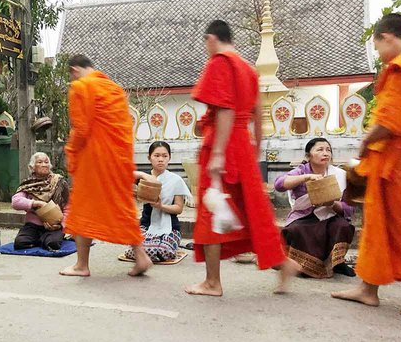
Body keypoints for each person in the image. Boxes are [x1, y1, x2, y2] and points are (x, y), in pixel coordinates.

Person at [332, 13, 401, 321]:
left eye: (377, 47)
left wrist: (365, 143)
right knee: (379, 224)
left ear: (387, 37)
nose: (379, 54)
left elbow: (391, 121)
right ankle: (368, 288)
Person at [186, 20, 299, 297]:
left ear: (211, 39)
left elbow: (224, 109)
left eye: (206, 43)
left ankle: (212, 282)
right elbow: (259, 114)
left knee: (211, 212)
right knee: (253, 212)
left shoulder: (220, 63)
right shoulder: (248, 70)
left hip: (223, 146)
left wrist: (219, 153)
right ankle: (283, 263)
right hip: (243, 147)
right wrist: (255, 149)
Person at [60, 54, 152, 277]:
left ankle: (82, 265)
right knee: (122, 206)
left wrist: (70, 151)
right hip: (118, 159)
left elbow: (81, 129)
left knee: (82, 209)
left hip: (93, 159)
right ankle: (141, 256)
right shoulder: (115, 89)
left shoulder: (81, 87)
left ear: (74, 70)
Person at [274, 138, 356, 278]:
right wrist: (307, 177)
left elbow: (349, 208)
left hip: (330, 215)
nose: (325, 153)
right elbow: (279, 184)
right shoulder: (301, 171)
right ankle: (302, 265)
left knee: (342, 226)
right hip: (305, 216)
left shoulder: (340, 175)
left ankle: (337, 262)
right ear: (308, 155)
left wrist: (332, 204)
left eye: (328, 150)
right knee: (297, 230)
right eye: (320, 150)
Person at [128, 141, 192, 262]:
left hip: (170, 228)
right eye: (156, 156)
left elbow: (178, 208)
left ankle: (158, 250)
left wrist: (161, 206)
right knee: (135, 250)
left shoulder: (175, 180)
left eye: (164, 156)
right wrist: (140, 177)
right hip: (146, 226)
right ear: (149, 158)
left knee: (161, 251)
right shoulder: (143, 178)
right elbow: (123, 176)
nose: (161, 159)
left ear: (169, 158)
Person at [12, 152, 69, 251]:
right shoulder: (28, 184)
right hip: (33, 225)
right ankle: (41, 239)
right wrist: (35, 203)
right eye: (40, 162)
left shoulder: (59, 182)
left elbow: (69, 206)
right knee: (20, 243)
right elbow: (15, 202)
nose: (44, 164)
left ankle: (46, 239)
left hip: (54, 225)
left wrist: (61, 225)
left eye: (46, 162)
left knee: (53, 244)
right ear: (32, 167)